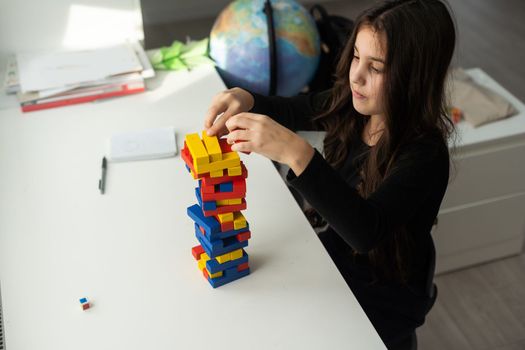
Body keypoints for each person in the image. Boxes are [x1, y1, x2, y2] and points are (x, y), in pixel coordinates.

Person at [204, 0, 456, 348]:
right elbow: (296, 109)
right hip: (339, 268)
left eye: (376, 67)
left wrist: (297, 153)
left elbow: (367, 230)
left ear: (415, 76)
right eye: (355, 56)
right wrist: (247, 99)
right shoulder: (353, 108)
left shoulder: (425, 153)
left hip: (386, 299)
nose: (357, 75)